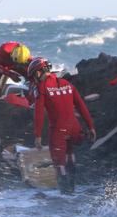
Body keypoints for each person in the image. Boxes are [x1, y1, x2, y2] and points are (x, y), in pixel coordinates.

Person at [28, 57, 96, 194]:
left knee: (59, 164)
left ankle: (66, 195)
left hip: (59, 130)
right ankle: (73, 187)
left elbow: (39, 113)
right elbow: (82, 107)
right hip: (75, 129)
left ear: (40, 72)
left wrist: (38, 136)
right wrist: (91, 127)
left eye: (35, 74)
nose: (35, 78)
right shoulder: (67, 84)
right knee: (70, 153)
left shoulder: (41, 88)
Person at [0, 41, 32, 106]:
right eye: (17, 64)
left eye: (20, 64)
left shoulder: (27, 56)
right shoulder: (3, 50)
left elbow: (34, 67)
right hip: (2, 63)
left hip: (16, 61)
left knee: (30, 74)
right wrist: (10, 74)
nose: (18, 66)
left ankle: (31, 97)